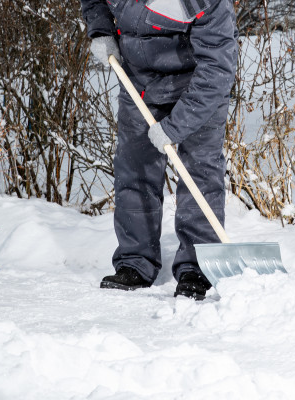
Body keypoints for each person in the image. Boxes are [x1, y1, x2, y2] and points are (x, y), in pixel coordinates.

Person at [80, 0, 238, 300]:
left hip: (200, 80)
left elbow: (217, 69)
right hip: (139, 78)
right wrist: (100, 29)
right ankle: (135, 262)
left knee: (200, 172)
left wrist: (174, 126)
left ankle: (198, 266)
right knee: (134, 167)